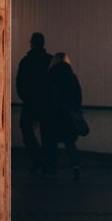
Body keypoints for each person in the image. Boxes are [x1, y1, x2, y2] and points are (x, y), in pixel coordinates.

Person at [41, 52, 83, 180]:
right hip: (68, 116)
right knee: (70, 143)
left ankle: (53, 170)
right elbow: (78, 97)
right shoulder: (72, 77)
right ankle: (76, 167)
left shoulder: (49, 77)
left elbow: (45, 98)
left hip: (53, 116)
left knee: (52, 143)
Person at [15, 31, 51, 172]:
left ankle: (37, 158)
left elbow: (20, 83)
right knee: (46, 133)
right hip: (47, 103)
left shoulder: (26, 61)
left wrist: (25, 98)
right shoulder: (50, 60)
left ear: (32, 43)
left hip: (30, 102)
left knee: (26, 128)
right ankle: (47, 161)